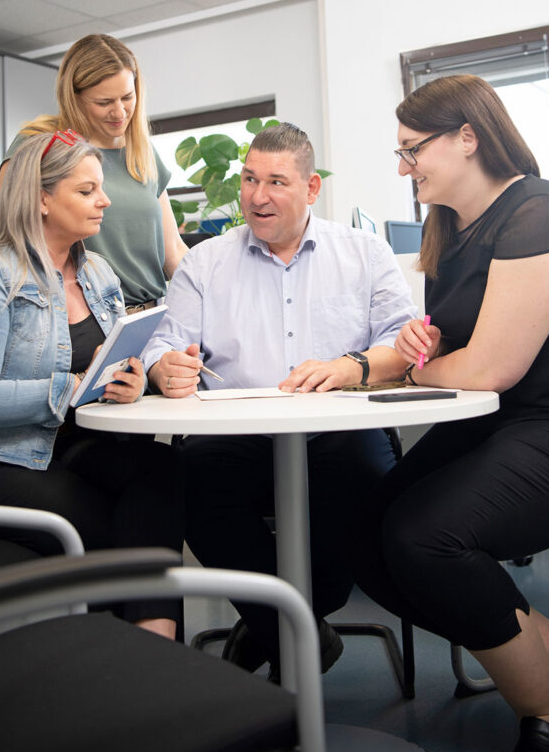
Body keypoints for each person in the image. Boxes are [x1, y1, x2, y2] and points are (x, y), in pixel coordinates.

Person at [353, 75, 549, 752]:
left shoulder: (538, 212)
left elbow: (490, 368)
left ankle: (544, 713)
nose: (401, 166)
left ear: (466, 138)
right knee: (364, 540)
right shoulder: (449, 231)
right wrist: (429, 343)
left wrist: (420, 366)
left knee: (424, 538)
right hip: (501, 422)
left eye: (411, 149)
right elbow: (457, 343)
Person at [141, 121, 417, 676]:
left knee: (368, 489)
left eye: (275, 181)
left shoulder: (364, 253)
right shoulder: (206, 262)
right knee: (190, 482)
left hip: (339, 431)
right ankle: (300, 637)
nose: (257, 196)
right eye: (248, 179)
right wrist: (162, 367)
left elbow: (401, 344)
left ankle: (272, 628)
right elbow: (165, 344)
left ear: (312, 188)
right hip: (235, 435)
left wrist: (348, 368)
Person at [0, 132, 184, 639]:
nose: (106, 200)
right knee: (109, 523)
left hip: (65, 444)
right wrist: (69, 388)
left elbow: (116, 357)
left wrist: (130, 381)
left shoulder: (98, 273)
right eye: (87, 190)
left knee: (163, 472)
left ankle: (151, 652)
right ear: (42, 198)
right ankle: (136, 664)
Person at [2, 33, 187, 310]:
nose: (119, 112)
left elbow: (172, 252)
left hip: (149, 316)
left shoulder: (142, 152)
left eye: (127, 97)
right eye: (104, 102)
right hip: (79, 318)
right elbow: (8, 236)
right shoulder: (41, 143)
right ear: (74, 97)